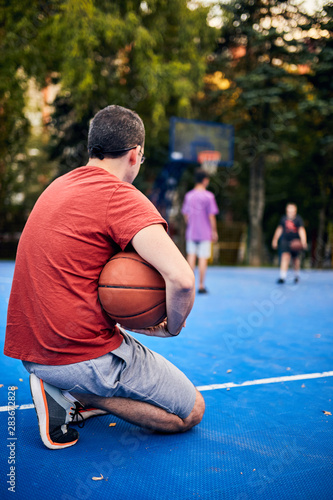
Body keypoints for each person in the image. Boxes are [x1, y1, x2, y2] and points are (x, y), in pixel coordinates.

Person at [4, 105, 205, 450]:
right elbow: (182, 279)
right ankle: (78, 394)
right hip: (76, 354)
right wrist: (170, 326)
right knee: (190, 414)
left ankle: (60, 384)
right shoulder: (121, 196)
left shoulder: (59, 186)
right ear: (134, 154)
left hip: (33, 347)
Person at [181, 170, 219, 294]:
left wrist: (191, 225)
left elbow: (186, 215)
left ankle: (189, 285)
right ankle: (201, 285)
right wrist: (214, 231)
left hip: (192, 232)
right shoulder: (209, 196)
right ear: (205, 180)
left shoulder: (189, 196)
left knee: (191, 257)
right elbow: (211, 216)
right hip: (205, 232)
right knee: (203, 258)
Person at [271, 203, 307, 284]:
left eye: (292, 209)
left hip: (295, 242)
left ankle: (296, 275)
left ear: (295, 210)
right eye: (289, 209)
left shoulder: (298, 219)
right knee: (285, 257)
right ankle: (282, 277)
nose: (291, 211)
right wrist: (275, 239)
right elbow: (279, 229)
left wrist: (303, 241)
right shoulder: (283, 219)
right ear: (287, 210)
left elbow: (301, 230)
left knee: (295, 259)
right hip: (285, 241)